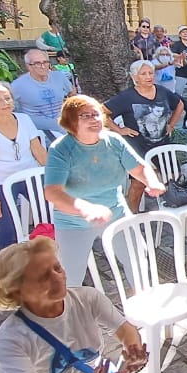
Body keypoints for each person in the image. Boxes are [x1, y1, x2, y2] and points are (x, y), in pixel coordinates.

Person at [0, 236, 148, 373]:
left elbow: (125, 330)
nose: (57, 277)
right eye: (44, 277)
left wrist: (134, 351)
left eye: (57, 268)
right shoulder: (8, 339)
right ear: (17, 292)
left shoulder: (88, 299)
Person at [44, 95, 167, 285]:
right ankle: (71, 312)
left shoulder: (114, 141)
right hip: (73, 221)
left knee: (138, 261)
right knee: (71, 277)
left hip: (115, 211)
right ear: (71, 122)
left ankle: (139, 310)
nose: (94, 119)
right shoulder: (60, 149)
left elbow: (140, 168)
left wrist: (152, 182)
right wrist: (86, 209)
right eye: (85, 116)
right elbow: (53, 192)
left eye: (97, 114)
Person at [0, 81, 48, 249]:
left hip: (30, 174)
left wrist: (55, 179)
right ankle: (5, 267)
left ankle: (54, 256)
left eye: (7, 98)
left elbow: (38, 150)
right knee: (8, 228)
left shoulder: (24, 119)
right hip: (0, 181)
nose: (5, 103)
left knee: (53, 213)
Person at [104, 60, 185, 211]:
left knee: (174, 175)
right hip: (139, 145)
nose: (148, 76)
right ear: (135, 77)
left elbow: (180, 104)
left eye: (151, 73)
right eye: (143, 74)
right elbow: (102, 111)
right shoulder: (127, 97)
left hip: (162, 142)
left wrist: (171, 124)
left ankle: (172, 205)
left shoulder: (162, 91)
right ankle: (131, 214)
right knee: (138, 182)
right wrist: (119, 130)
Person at [12, 49, 76, 133]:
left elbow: (72, 93)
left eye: (45, 62)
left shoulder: (59, 76)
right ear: (28, 66)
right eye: (38, 63)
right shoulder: (18, 84)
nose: (43, 66)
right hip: (37, 133)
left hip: (64, 129)